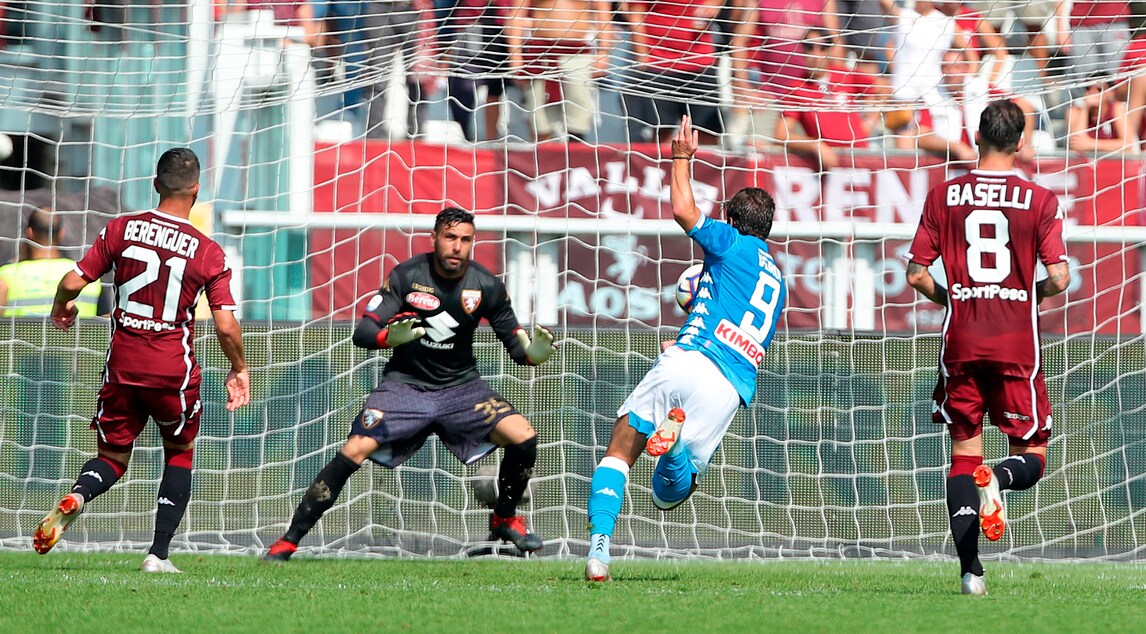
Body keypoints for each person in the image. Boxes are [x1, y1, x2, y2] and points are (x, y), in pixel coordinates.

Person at [262, 207, 557, 562]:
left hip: (462, 389)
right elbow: (363, 333)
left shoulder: (487, 285)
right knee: (354, 449)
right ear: (434, 238)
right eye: (450, 237)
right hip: (405, 387)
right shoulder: (406, 276)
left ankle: (505, 518)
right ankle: (289, 540)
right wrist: (389, 337)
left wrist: (534, 354)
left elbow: (517, 348)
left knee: (523, 435)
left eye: (465, 240)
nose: (457, 246)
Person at [584, 115, 787, 581]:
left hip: (689, 359)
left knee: (619, 451)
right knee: (668, 495)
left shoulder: (730, 242)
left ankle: (599, 552)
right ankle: (674, 451)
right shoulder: (777, 280)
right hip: (729, 387)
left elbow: (683, 209)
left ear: (733, 220)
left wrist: (680, 157)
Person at [34, 148, 251, 573]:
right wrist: (239, 368)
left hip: (122, 366)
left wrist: (61, 306)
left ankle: (78, 494)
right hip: (172, 371)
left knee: (113, 457)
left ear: (155, 184)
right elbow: (225, 326)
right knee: (179, 452)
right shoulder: (208, 251)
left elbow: (73, 281)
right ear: (196, 190)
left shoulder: (121, 228)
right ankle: (158, 554)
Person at [905, 99, 1070, 595]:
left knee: (962, 454)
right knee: (1032, 452)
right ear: (1020, 143)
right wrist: (1026, 294)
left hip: (961, 340)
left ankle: (970, 573)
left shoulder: (943, 195)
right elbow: (1060, 278)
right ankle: (997, 478)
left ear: (976, 136)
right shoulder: (1039, 199)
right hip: (1017, 344)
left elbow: (916, 275)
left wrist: (955, 296)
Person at [504, 0, 616, 142]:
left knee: (579, 116)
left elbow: (603, 12)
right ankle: (543, 154)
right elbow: (517, 15)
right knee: (539, 117)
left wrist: (604, 52)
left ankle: (575, 153)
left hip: (577, 53)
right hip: (541, 53)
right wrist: (515, 56)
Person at [0, 208, 99, 317]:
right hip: (76, 328)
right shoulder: (87, 274)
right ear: (61, 233)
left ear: (29, 233)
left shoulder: (6, 275)